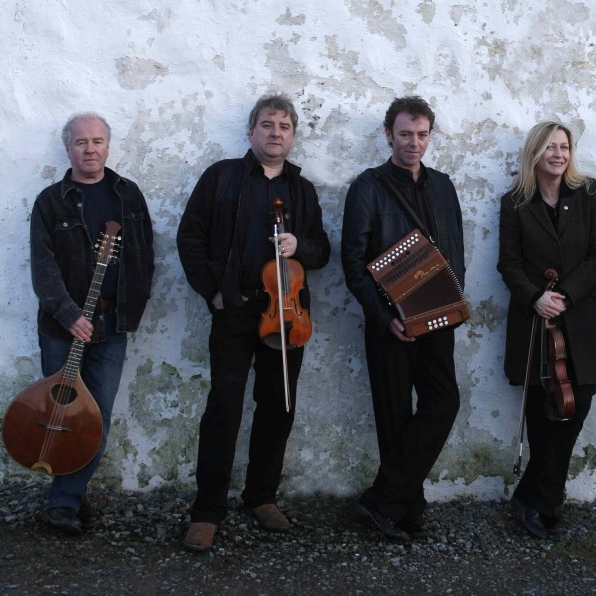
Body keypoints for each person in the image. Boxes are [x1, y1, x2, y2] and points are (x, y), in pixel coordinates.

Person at [177, 93, 330, 552]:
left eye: (284, 126)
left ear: (292, 135)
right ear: (251, 131)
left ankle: (261, 497)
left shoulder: (302, 190)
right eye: (267, 124)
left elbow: (322, 250)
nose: (275, 133)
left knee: (278, 406)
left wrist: (300, 246)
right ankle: (207, 511)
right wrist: (213, 291)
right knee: (223, 407)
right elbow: (190, 236)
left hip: (286, 313)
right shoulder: (221, 177)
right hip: (234, 310)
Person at [341, 96, 465, 540]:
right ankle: (406, 507)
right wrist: (383, 316)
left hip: (438, 317)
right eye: (406, 134)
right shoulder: (367, 187)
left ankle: (382, 500)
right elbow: (353, 262)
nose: (414, 143)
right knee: (393, 414)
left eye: (422, 135)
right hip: (390, 323)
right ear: (388, 134)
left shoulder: (443, 186)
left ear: (430, 136)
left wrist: (452, 302)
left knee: (443, 402)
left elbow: (454, 248)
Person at [29, 112, 155, 535]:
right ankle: (65, 501)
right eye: (81, 142)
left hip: (111, 325)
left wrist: (130, 309)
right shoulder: (51, 201)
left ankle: (68, 496)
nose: (90, 149)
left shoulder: (128, 195)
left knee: (95, 419)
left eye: (97, 141)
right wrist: (69, 314)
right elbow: (43, 267)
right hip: (60, 329)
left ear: (107, 146)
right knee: (63, 415)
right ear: (68, 149)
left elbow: (144, 256)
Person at [497, 121, 596, 538]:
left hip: (582, 318)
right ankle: (544, 502)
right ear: (535, 153)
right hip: (534, 322)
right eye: (550, 147)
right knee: (541, 414)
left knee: (575, 409)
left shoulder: (589, 193)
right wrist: (536, 298)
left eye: (564, 147)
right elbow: (508, 263)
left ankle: (534, 497)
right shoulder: (515, 203)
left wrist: (565, 294)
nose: (558, 155)